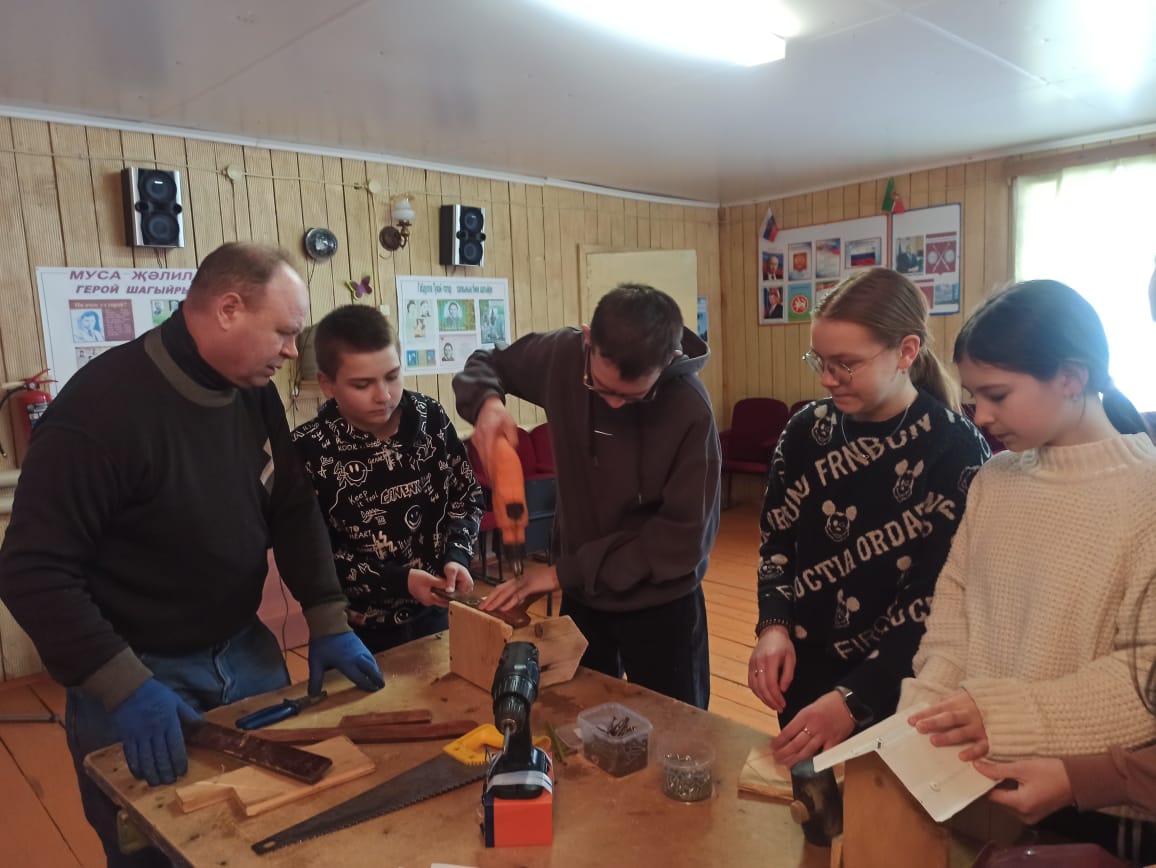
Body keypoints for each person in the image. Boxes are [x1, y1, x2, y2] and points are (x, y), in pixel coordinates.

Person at [0, 242, 384, 868]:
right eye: (284, 333)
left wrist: (327, 616)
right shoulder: (98, 413)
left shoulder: (251, 391)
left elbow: (291, 505)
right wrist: (124, 686)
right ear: (228, 310)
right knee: (151, 850)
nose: (293, 351)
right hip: (138, 673)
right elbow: (31, 570)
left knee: (277, 834)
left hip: (244, 651)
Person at [901, 279, 1156, 863]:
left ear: (1071, 377)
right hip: (967, 771)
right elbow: (954, 612)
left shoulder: (1146, 494)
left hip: (1091, 800)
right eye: (972, 399)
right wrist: (923, 715)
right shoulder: (995, 480)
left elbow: (1144, 674)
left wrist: (1001, 716)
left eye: (997, 395)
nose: (982, 417)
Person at [749, 267, 990, 768]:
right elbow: (777, 542)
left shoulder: (956, 449)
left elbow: (933, 600)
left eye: (846, 364)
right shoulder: (805, 432)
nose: (826, 379)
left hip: (901, 683)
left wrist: (854, 698)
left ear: (906, 352)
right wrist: (773, 625)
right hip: (806, 670)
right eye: (820, 360)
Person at [454, 283, 720, 709]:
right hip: (584, 598)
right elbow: (486, 361)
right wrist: (487, 404)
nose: (613, 405)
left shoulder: (691, 411)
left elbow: (680, 544)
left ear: (669, 360)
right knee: (579, 715)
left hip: (661, 604)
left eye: (633, 396)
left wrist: (561, 574)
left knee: (677, 728)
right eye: (600, 388)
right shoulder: (563, 356)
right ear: (588, 339)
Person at [292, 304, 484, 653]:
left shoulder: (430, 418)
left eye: (392, 376)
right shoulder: (308, 449)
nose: (383, 396)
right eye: (362, 384)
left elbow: (466, 495)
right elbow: (312, 554)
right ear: (327, 384)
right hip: (357, 630)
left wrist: (457, 554)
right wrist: (401, 581)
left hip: (437, 610)